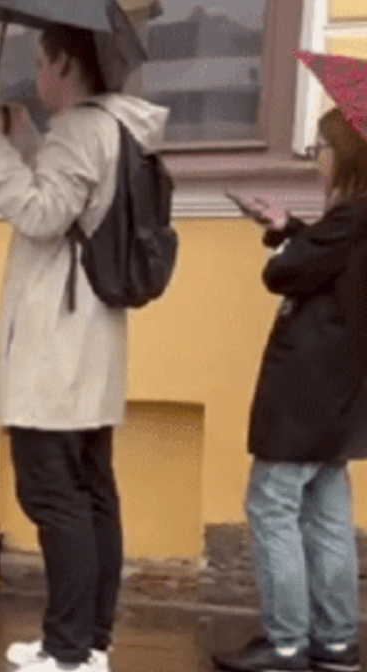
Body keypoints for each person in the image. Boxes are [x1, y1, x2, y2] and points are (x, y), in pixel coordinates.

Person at [0, 25, 168, 672]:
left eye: (40, 64)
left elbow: (42, 215)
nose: (36, 77)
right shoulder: (118, 127)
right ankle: (89, 640)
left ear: (64, 65)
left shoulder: (81, 129)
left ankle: (68, 650)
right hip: (90, 341)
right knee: (91, 493)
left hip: (57, 344)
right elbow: (71, 205)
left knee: (56, 497)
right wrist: (28, 141)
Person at [210, 108, 367, 672]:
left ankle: (286, 642)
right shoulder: (352, 222)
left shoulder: (349, 216)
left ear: (347, 152)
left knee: (272, 504)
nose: (316, 155)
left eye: (321, 146)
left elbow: (286, 274)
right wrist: (290, 229)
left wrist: (287, 246)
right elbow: (327, 261)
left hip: (307, 393)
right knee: (327, 513)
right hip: (342, 395)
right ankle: (336, 641)